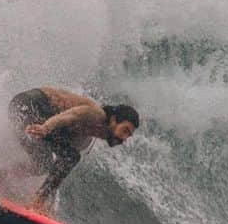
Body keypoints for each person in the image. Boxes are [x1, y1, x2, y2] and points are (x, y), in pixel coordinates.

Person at [7, 87, 140, 212]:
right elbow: (69, 116)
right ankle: (37, 203)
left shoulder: (85, 139)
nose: (124, 138)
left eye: (129, 135)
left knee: (51, 162)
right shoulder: (96, 114)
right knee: (60, 158)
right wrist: (45, 128)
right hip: (26, 105)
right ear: (113, 120)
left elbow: (60, 169)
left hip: (30, 113)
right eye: (125, 130)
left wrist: (51, 204)